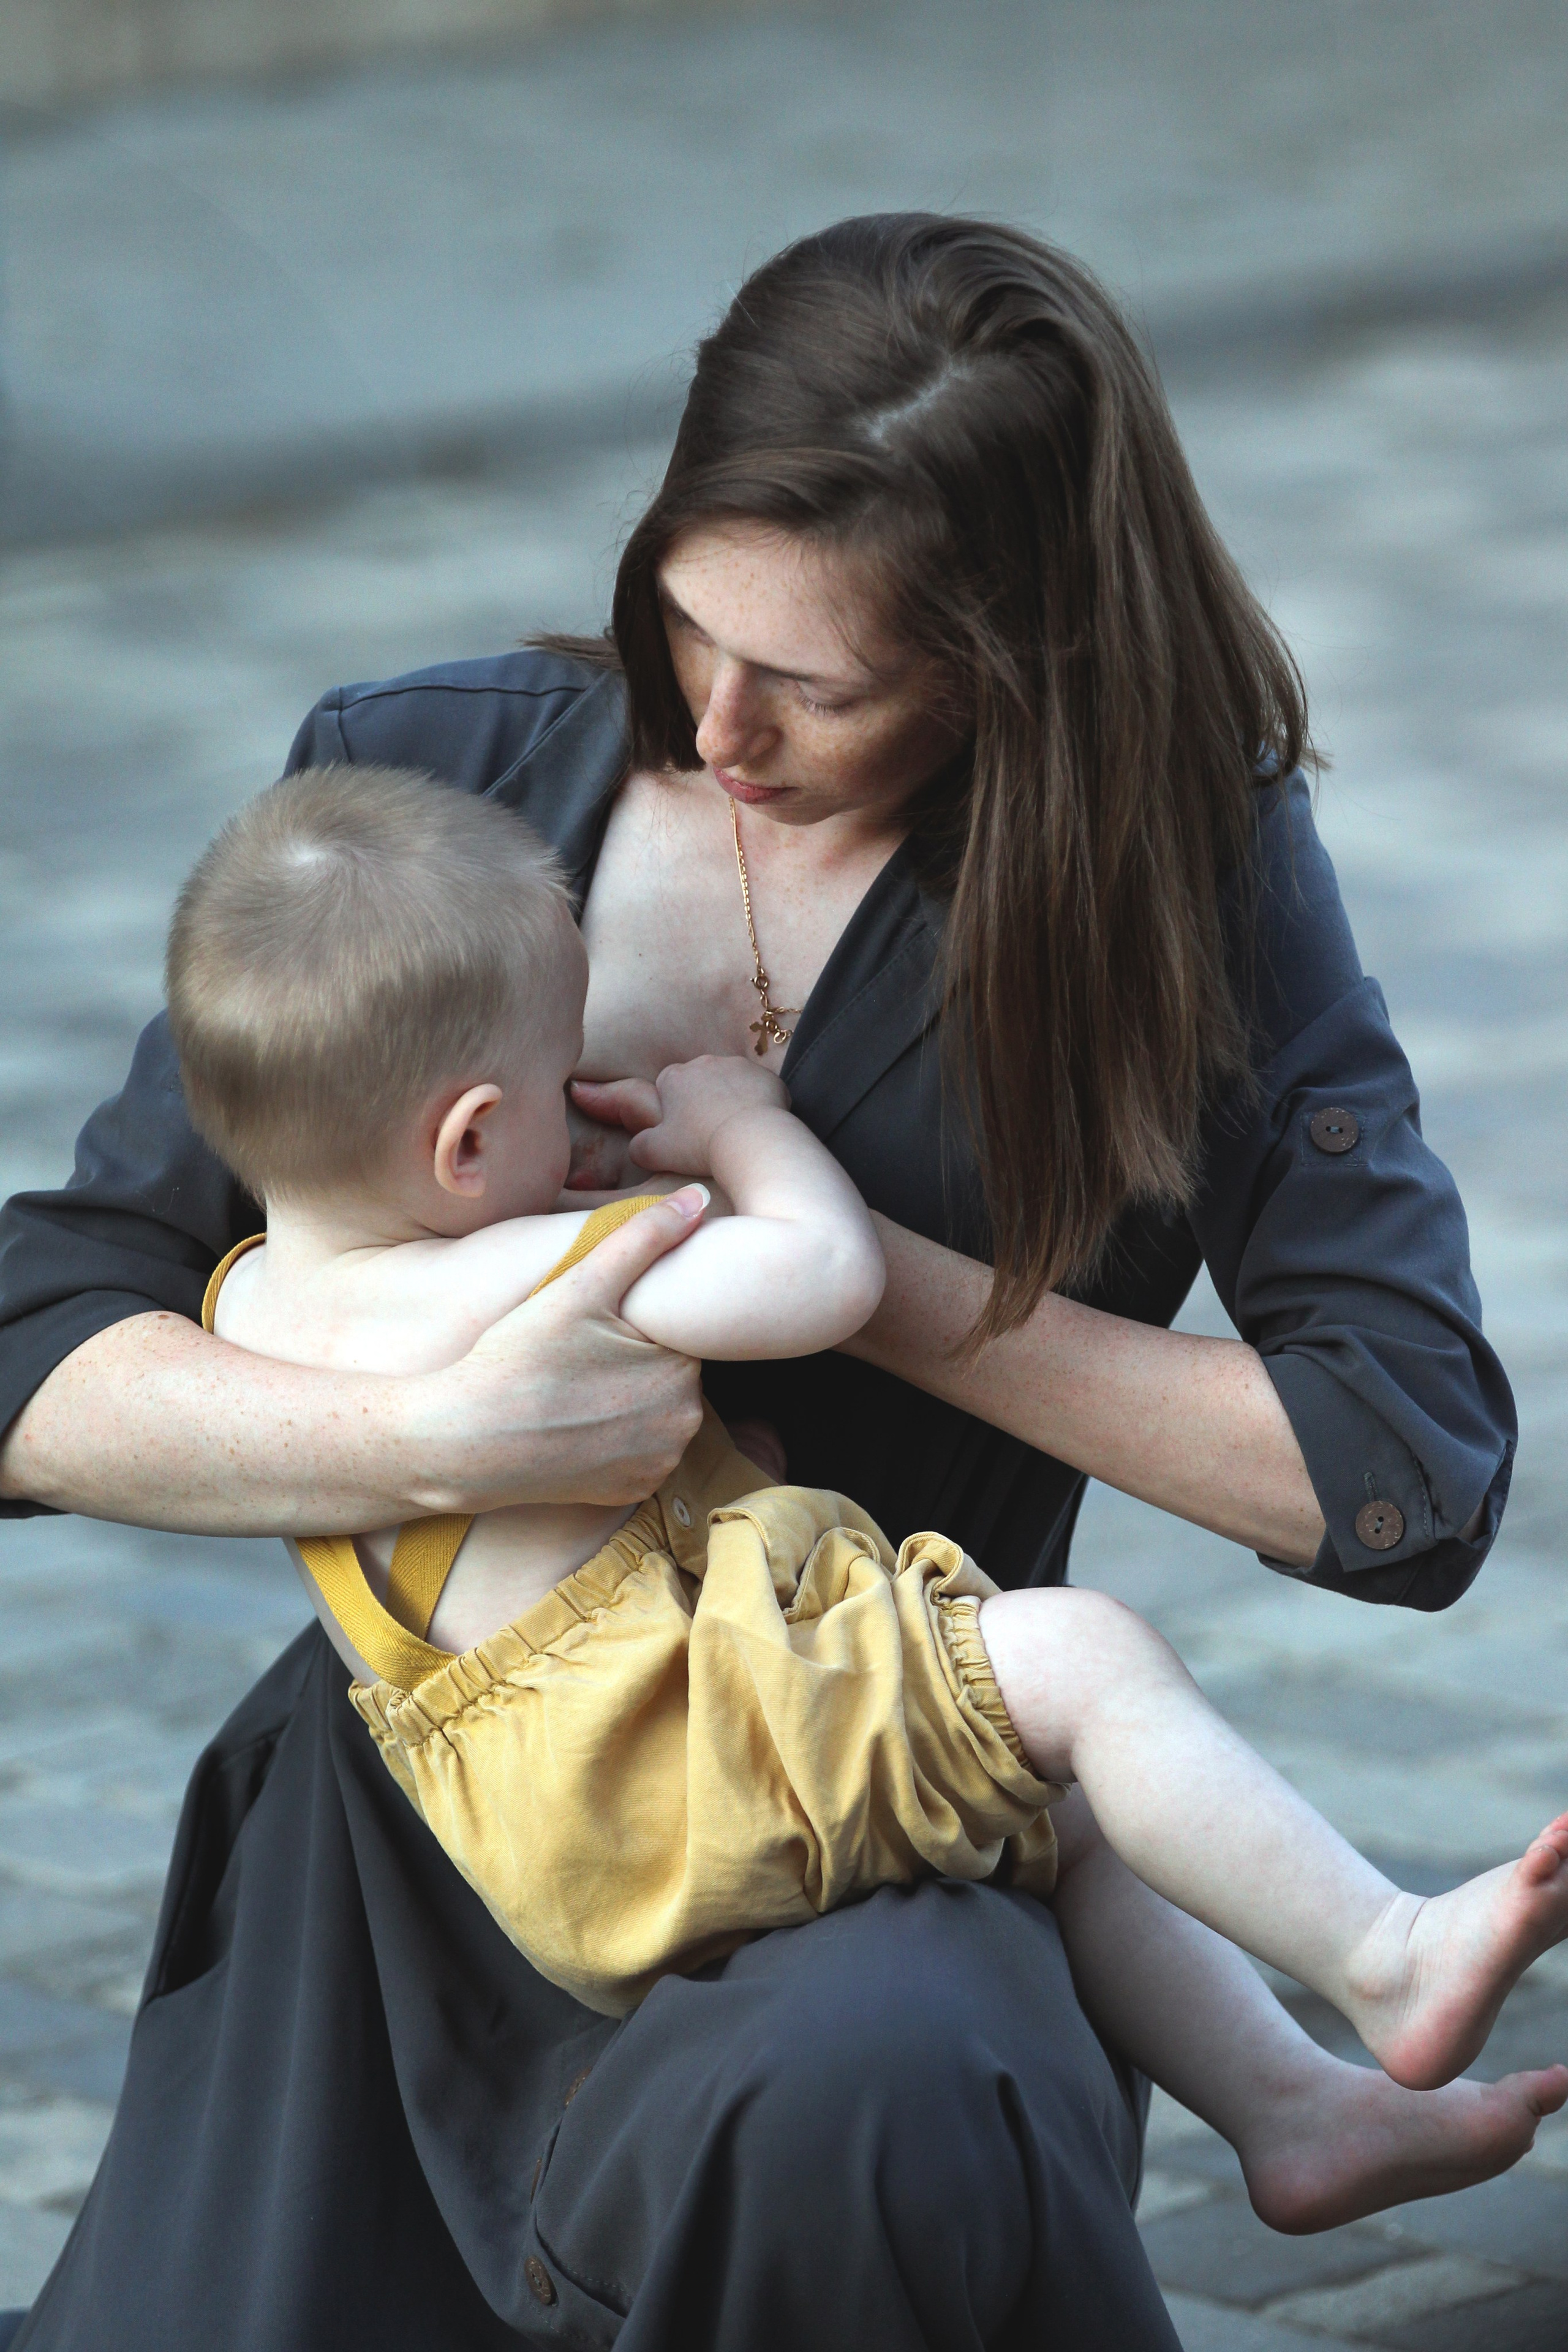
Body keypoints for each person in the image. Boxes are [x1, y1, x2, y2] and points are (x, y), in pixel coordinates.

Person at [0, 214, 1521, 2350]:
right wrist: (421, 1434)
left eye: (821, 684)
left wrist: (879, 1284)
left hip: (879, 1814)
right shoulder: (434, 785)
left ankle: (1271, 2084)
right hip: (427, 1803)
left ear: (1023, 659)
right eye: (685, 623)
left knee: (869, 2089)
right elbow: (41, 1338)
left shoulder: (1183, 885)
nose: (716, 725)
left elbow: (1401, 1472)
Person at [172, 763, 1568, 2116]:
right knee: (1083, 1662)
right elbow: (821, 1277)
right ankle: (1378, 1956)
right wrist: (740, 1130)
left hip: (571, 1840)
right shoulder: (565, 1266)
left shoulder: (243, 1308)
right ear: (467, 1144)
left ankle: (1290, 2116)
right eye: (560, 1087)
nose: (586, 1120)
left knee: (1053, 1792)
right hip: (698, 1774)